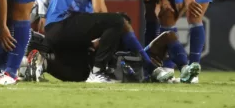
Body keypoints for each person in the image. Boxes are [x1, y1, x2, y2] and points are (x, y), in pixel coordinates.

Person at [38, 0, 171, 83]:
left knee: (80, 73)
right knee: (117, 21)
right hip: (62, 24)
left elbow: (90, 21)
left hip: (56, 31)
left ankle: (41, 64)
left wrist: (100, 39)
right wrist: (114, 26)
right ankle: (98, 71)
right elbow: (99, 10)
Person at [23, 30, 200, 84]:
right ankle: (36, 66)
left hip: (133, 59)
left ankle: (185, 69)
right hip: (116, 68)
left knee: (169, 35)